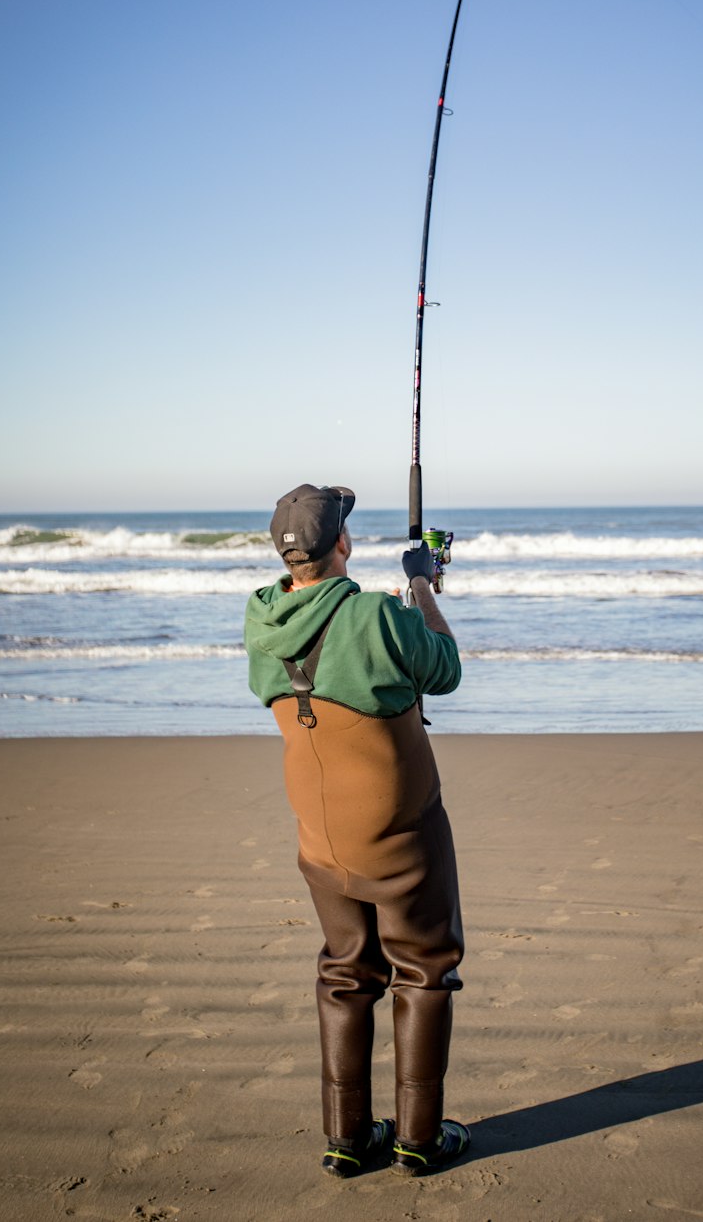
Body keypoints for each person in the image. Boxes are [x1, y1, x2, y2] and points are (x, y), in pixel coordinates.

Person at [244, 483, 469, 1179]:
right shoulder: (377, 615)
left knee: (344, 973)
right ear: (343, 543)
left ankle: (347, 1138)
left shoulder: (260, 615)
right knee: (424, 970)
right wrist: (423, 587)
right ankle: (417, 1139)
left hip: (320, 837)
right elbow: (447, 669)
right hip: (399, 834)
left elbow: (339, 640)